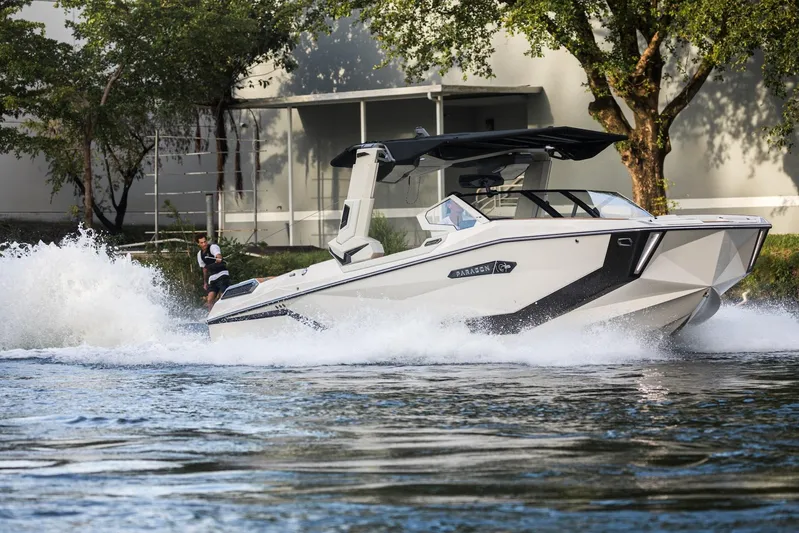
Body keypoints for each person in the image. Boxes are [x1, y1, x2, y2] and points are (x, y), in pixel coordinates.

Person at [196, 234, 231, 310]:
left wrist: (218, 258)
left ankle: (224, 311)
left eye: (205, 242)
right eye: (201, 243)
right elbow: (204, 269)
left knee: (223, 296)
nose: (204, 244)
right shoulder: (199, 255)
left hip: (222, 275)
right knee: (210, 299)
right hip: (212, 278)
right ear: (198, 244)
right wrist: (205, 282)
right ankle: (211, 314)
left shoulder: (213, 247)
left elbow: (218, 255)